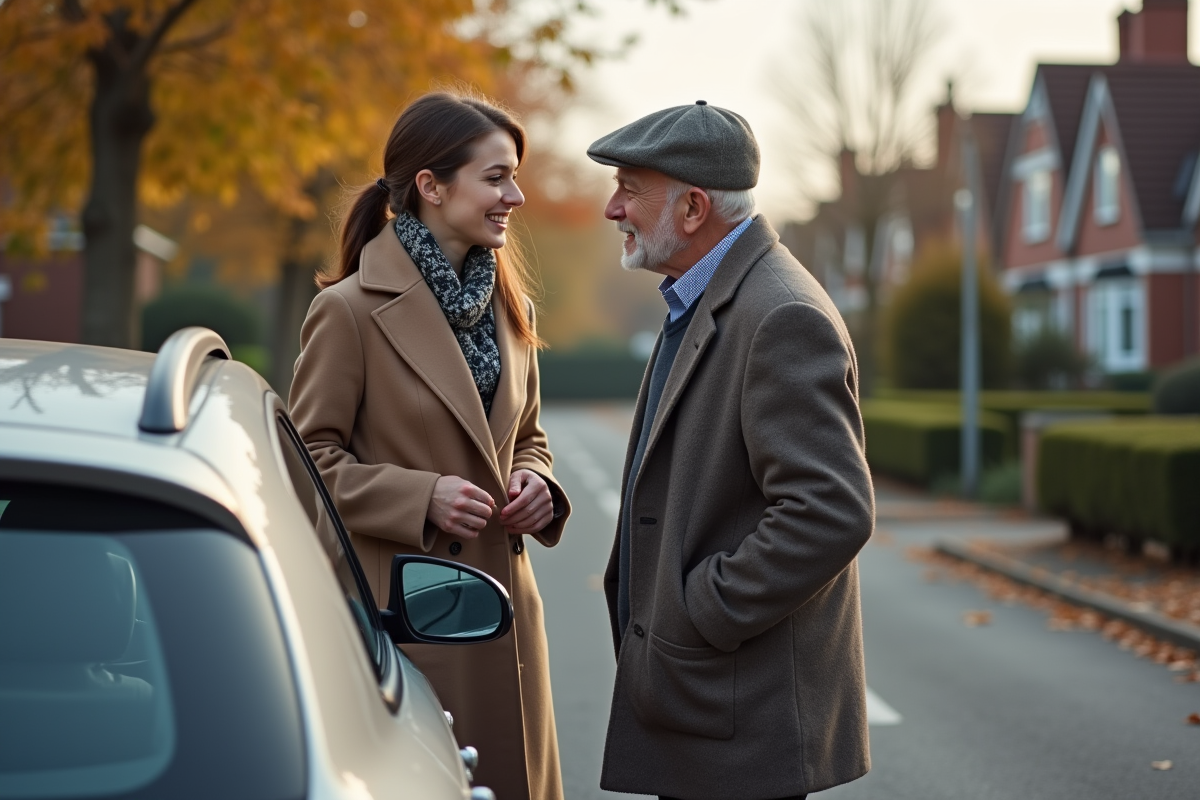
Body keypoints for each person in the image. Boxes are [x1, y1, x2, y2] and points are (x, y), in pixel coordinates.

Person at [586, 102, 875, 800]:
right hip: (712, 707)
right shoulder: (711, 296)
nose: (610, 207)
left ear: (692, 207)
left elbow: (830, 511)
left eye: (629, 188)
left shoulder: (779, 314)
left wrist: (700, 610)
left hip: (739, 719)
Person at [289, 91, 571, 800]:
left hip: (505, 616)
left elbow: (527, 437)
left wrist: (538, 482)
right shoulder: (347, 311)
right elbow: (307, 466)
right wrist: (423, 497)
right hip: (411, 619)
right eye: (497, 176)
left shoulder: (513, 307)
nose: (517, 194)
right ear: (432, 186)